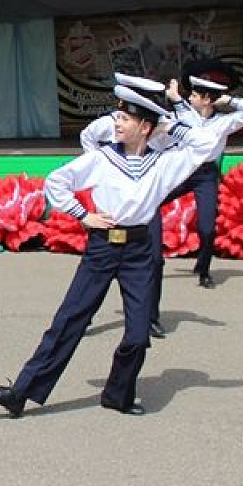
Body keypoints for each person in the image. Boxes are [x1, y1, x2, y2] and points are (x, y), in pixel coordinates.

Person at [0, 86, 218, 418]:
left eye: (125, 117)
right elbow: (56, 182)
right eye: (117, 116)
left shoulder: (165, 164)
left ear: (145, 127)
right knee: (69, 320)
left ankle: (118, 395)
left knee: (137, 335)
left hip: (139, 250)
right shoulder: (102, 158)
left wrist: (167, 124)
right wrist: (83, 215)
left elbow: (206, 145)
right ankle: (21, 392)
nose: (117, 122)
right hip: (103, 247)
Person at [81, 73, 175, 339]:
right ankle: (82, 316)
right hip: (112, 205)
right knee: (98, 266)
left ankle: (149, 317)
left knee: (154, 259)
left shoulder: (162, 125)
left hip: (144, 204)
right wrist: (98, 172)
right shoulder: (109, 124)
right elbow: (87, 137)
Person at [166, 61, 243, 288]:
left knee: (207, 227)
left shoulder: (224, 122)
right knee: (150, 204)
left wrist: (229, 100)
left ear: (208, 100)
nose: (190, 98)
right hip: (181, 170)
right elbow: (180, 104)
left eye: (196, 95)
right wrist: (174, 95)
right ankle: (139, 257)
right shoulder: (185, 113)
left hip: (206, 175)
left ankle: (204, 269)